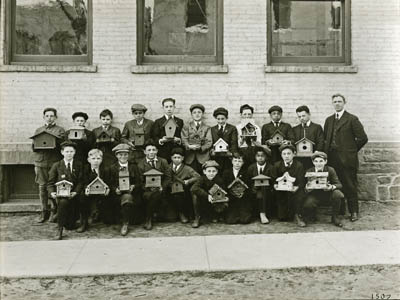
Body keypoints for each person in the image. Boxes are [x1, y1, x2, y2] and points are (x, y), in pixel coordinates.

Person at [323, 93, 368, 222]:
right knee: (336, 184)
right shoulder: (329, 120)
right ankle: (340, 210)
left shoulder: (352, 119)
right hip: (332, 159)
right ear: (332, 103)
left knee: (350, 185)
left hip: (347, 159)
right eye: (335, 101)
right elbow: (327, 138)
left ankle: (354, 211)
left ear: (344, 103)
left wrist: (351, 151)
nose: (337, 103)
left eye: (339, 101)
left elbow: (363, 138)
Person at [32, 107, 65, 223]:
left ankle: (53, 211)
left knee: (54, 187)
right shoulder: (38, 130)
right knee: (42, 187)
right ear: (43, 117)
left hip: (54, 163)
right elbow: (34, 147)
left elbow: (62, 146)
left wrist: (52, 141)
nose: (49, 118)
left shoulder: (60, 130)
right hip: (40, 163)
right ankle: (43, 211)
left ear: (55, 117)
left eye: (52, 116)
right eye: (47, 116)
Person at [48, 141, 83, 240]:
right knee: (63, 203)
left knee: (70, 226)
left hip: (74, 195)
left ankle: (81, 222)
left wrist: (75, 192)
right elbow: (50, 183)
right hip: (62, 195)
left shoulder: (79, 165)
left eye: (71, 151)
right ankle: (59, 230)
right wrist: (52, 193)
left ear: (75, 152)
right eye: (67, 151)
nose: (69, 154)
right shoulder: (57, 165)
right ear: (62, 152)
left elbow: (81, 181)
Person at [109, 144, 143, 236]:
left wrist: (134, 186)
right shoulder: (112, 168)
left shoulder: (134, 167)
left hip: (132, 194)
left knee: (127, 197)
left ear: (128, 155)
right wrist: (115, 189)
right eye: (120, 155)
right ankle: (124, 222)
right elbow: (109, 183)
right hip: (117, 195)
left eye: (125, 154)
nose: (123, 157)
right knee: (125, 198)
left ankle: (125, 224)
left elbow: (139, 182)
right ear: (116, 155)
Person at [303, 151, 344, 227]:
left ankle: (335, 217)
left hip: (328, 194)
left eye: (321, 161)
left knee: (337, 194)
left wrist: (331, 187)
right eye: (316, 161)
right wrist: (307, 188)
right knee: (308, 204)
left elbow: (339, 184)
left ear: (325, 161)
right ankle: (312, 215)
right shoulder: (309, 171)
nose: (318, 163)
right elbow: (304, 187)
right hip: (315, 195)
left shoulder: (330, 170)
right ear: (313, 162)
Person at [137, 140, 171, 230]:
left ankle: (149, 217)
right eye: (149, 150)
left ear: (157, 151)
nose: (151, 152)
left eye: (153, 150)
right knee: (152, 196)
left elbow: (168, 177)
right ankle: (149, 218)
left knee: (156, 195)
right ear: (144, 152)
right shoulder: (140, 164)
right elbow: (140, 181)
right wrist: (147, 187)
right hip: (147, 191)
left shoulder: (163, 161)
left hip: (161, 189)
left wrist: (162, 187)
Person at [270, 144, 306, 227]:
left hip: (294, 190)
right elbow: (273, 178)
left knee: (299, 195)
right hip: (281, 191)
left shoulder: (299, 165)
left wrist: (296, 187)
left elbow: (301, 181)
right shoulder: (277, 165)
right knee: (282, 218)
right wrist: (275, 185)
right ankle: (283, 212)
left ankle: (298, 214)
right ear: (281, 155)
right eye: (284, 154)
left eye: (289, 153)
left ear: (294, 154)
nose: (286, 156)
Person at [77, 149, 110, 233]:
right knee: (82, 196)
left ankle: (103, 217)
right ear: (88, 160)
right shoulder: (85, 169)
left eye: (98, 159)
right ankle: (84, 222)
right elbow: (82, 181)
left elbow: (108, 181)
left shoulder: (105, 169)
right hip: (89, 192)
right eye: (93, 158)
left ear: (102, 160)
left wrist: (107, 189)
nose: (96, 161)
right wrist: (86, 189)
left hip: (102, 193)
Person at [190, 160, 228, 228]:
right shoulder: (201, 179)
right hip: (203, 201)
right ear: (204, 172)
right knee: (195, 195)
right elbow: (193, 188)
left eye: (213, 171)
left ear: (217, 172)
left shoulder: (219, 180)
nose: (211, 173)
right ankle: (197, 217)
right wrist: (207, 195)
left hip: (214, 202)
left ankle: (216, 215)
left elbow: (224, 192)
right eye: (209, 171)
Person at [167, 147, 200, 223]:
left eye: (179, 157)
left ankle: (182, 213)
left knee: (180, 196)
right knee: (170, 218)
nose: (176, 159)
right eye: (174, 157)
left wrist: (188, 181)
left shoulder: (187, 168)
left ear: (182, 158)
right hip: (169, 191)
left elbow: (198, 176)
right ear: (171, 158)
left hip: (182, 192)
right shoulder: (167, 168)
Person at [181, 104, 213, 173]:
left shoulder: (207, 127)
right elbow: (184, 139)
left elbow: (209, 142)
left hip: (203, 157)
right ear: (191, 115)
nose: (197, 114)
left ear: (202, 114)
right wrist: (189, 146)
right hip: (190, 157)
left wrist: (201, 148)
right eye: (194, 112)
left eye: (199, 112)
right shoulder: (186, 126)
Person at [223, 152, 252, 224]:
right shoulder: (226, 172)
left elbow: (249, 186)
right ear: (232, 161)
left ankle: (243, 214)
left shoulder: (246, 173)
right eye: (235, 161)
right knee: (230, 221)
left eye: (239, 161)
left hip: (243, 199)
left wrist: (243, 193)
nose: (237, 163)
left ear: (243, 163)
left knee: (245, 220)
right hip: (231, 199)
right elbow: (224, 186)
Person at [292, 105, 324, 170]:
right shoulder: (295, 129)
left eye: (303, 116)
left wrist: (316, 153)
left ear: (309, 114)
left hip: (312, 158)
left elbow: (321, 141)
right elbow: (293, 141)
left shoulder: (317, 127)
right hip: (299, 159)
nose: (301, 118)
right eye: (299, 116)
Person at [247, 147, 274, 224]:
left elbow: (273, 180)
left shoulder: (270, 167)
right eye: (258, 156)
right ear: (255, 157)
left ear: (266, 157)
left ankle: (263, 213)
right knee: (258, 193)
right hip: (254, 190)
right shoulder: (251, 168)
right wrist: (253, 187)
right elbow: (248, 181)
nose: (260, 158)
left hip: (267, 191)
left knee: (263, 189)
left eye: (262, 156)